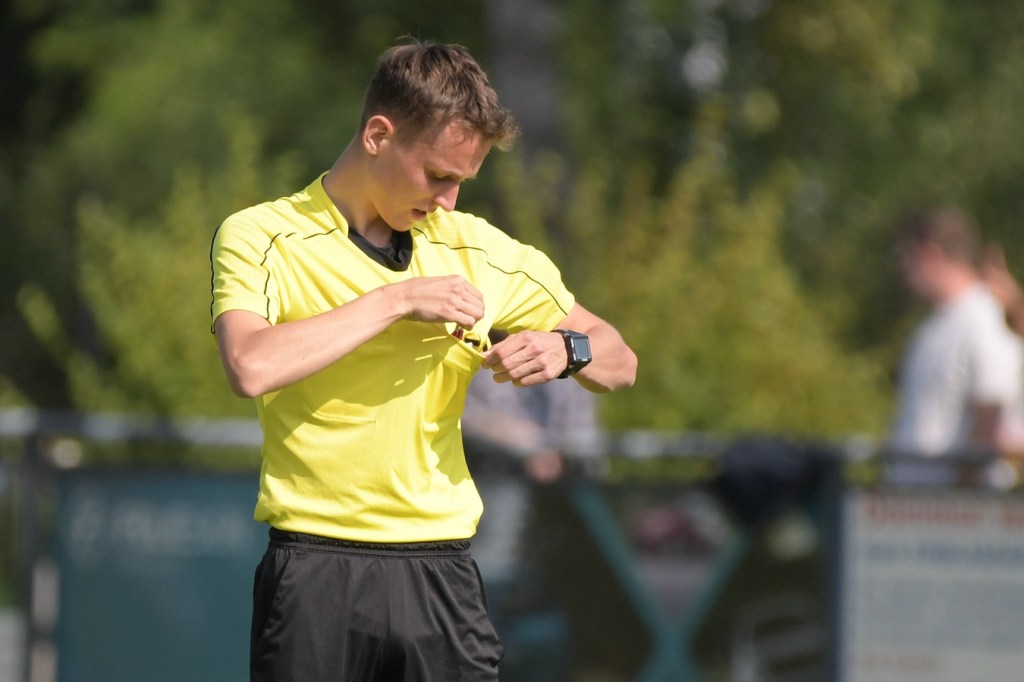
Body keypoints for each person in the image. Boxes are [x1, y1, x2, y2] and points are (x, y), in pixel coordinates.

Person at [209, 40, 637, 681]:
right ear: (379, 136)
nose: (449, 201)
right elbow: (249, 365)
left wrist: (566, 349)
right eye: (438, 176)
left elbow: (620, 359)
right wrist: (397, 300)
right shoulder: (261, 236)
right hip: (315, 570)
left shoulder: (478, 249)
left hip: (443, 573)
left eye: (462, 182)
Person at [888, 207, 1024, 464]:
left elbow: (991, 410)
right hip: (914, 487)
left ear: (929, 254)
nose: (902, 268)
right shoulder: (930, 328)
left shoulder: (986, 314)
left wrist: (965, 481)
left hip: (951, 489)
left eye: (905, 256)